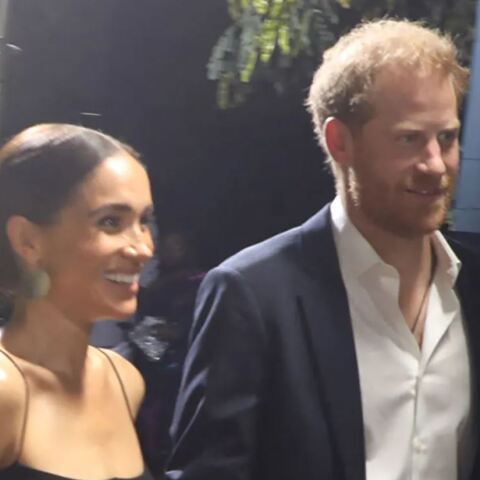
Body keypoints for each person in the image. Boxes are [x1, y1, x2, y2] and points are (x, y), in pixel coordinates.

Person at [166, 19, 480, 480]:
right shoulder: (253, 295)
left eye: (447, 138)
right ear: (340, 142)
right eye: (409, 139)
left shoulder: (471, 284)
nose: (436, 165)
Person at [0, 123, 155, 480]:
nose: (143, 249)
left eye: (144, 221)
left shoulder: (124, 380)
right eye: (111, 222)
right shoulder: (6, 391)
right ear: (28, 241)